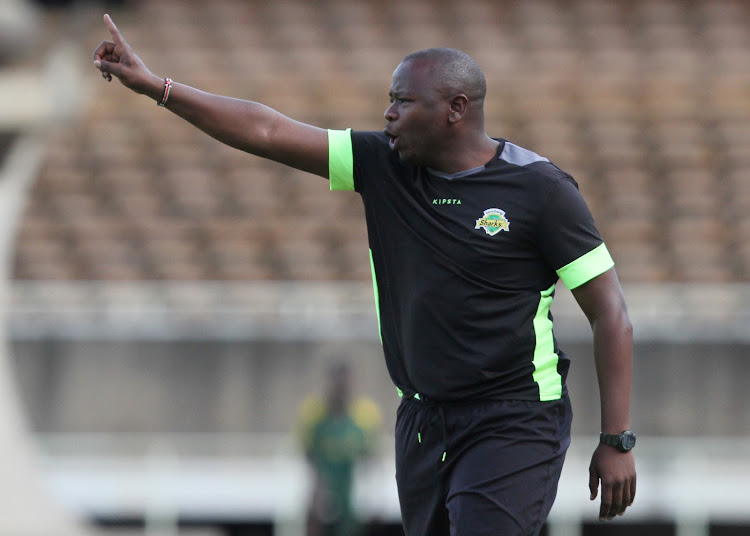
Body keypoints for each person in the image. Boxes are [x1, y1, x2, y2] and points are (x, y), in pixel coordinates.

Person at [94, 13, 637, 535]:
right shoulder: (383, 166)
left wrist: (616, 439)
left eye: (403, 101)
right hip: (422, 418)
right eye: (389, 99)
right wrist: (157, 88)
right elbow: (266, 128)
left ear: (456, 108)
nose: (388, 114)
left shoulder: (541, 190)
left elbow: (609, 311)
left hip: (513, 418)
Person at [296, 362, 382, 536]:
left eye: (345, 383)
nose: (341, 389)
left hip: (352, 495)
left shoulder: (365, 415)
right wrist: (316, 491)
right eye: (337, 383)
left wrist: (373, 498)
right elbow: (308, 454)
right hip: (324, 490)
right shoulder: (314, 414)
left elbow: (371, 458)